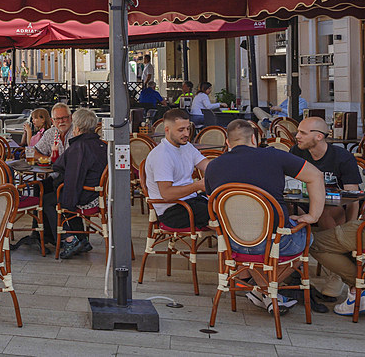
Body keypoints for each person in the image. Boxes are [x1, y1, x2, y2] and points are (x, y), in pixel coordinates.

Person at [204, 119, 324, 313]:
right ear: (254, 138)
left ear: (227, 142)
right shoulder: (274, 156)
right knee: (307, 237)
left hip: (233, 243)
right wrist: (313, 216)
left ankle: (263, 292)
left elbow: (215, 204)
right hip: (276, 242)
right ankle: (268, 291)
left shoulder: (213, 166)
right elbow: (316, 176)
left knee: (256, 245)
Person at [288, 116, 364, 311]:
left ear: (319, 136)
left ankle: (336, 272)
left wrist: (350, 226)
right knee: (285, 211)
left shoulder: (341, 156)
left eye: (303, 133)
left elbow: (353, 197)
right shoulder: (296, 152)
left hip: (335, 211)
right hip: (303, 206)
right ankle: (289, 266)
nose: (297, 136)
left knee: (323, 212)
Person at [43, 108, 108, 259]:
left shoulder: (79, 147)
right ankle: (83, 239)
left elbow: (74, 179)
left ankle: (69, 240)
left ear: (76, 128)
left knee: (49, 200)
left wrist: (66, 202)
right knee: (64, 194)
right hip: (100, 195)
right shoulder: (101, 144)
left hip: (89, 198)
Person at [143, 108, 211, 228]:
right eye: (181, 130)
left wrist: (224, 168)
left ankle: (229, 244)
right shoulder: (162, 155)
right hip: (171, 210)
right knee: (222, 211)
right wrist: (198, 186)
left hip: (189, 202)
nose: (186, 134)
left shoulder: (187, 146)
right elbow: (167, 194)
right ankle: (233, 245)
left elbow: (207, 166)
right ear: (167, 130)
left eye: (188, 128)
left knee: (225, 205)